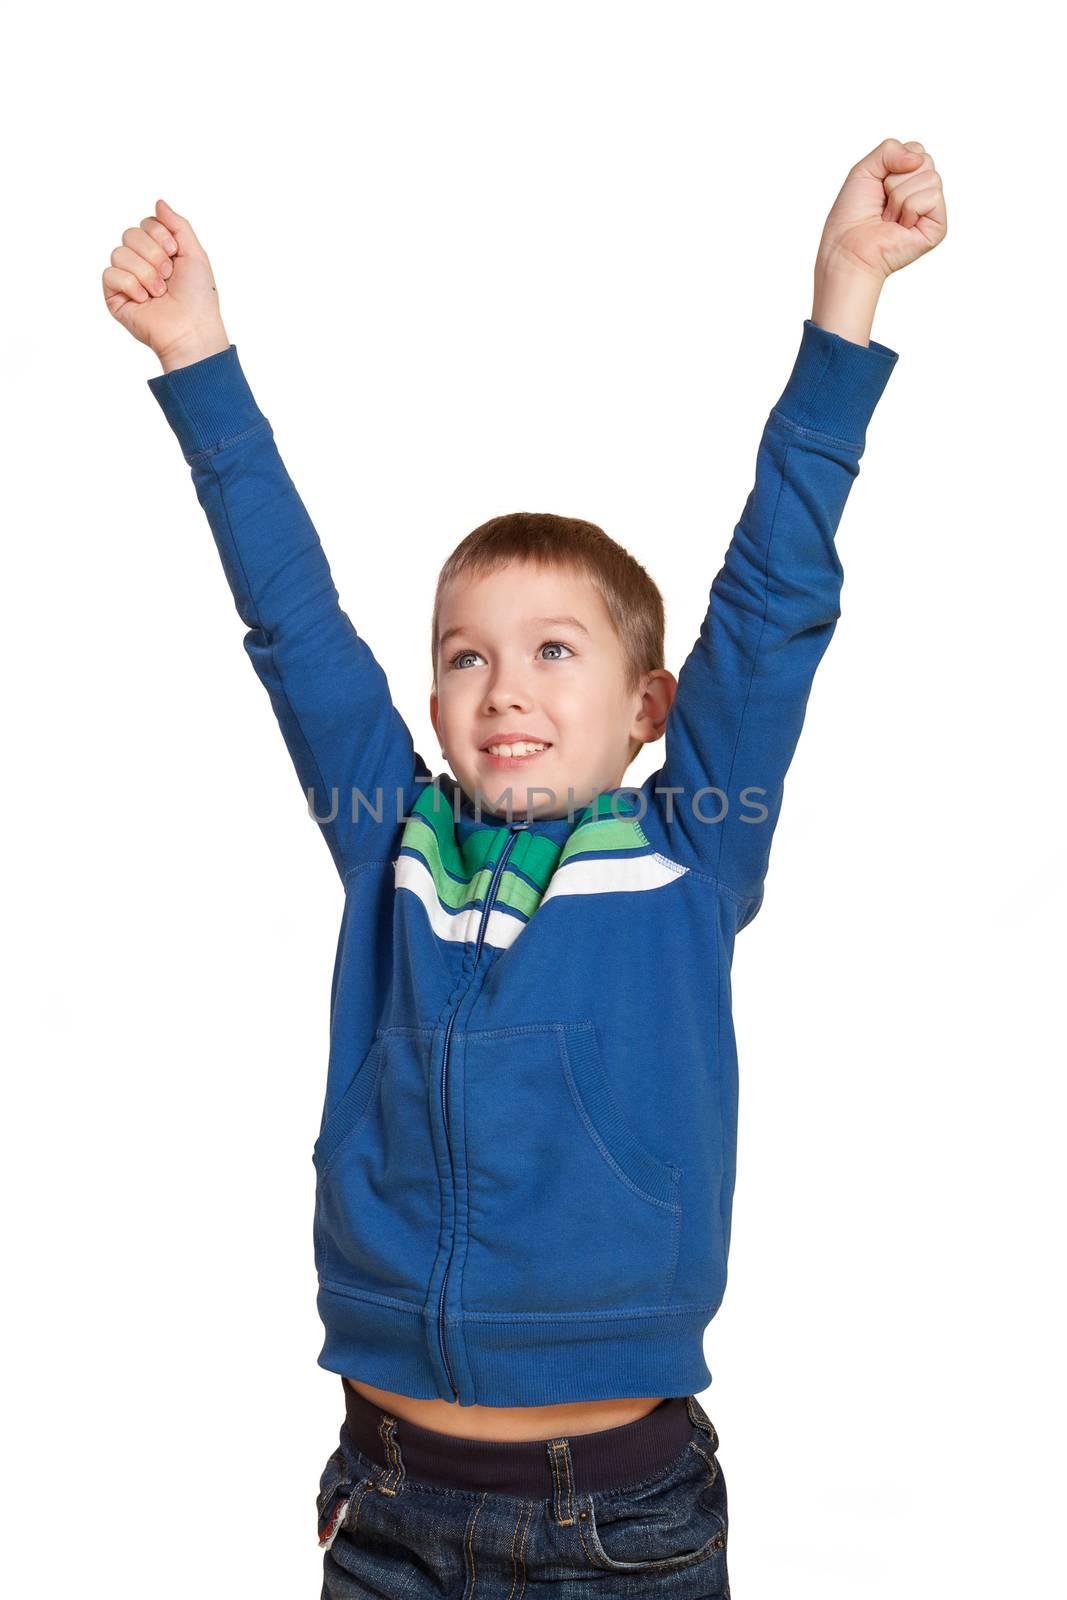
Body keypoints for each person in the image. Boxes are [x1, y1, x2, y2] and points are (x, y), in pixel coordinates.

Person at [102, 137, 946, 1595]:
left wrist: (846, 295)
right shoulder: (393, 846)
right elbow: (295, 622)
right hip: (384, 1497)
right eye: (465, 657)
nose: (503, 687)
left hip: (616, 1521)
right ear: (430, 705)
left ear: (646, 707)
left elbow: (771, 598)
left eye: (555, 652)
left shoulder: (692, 855)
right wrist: (198, 358)